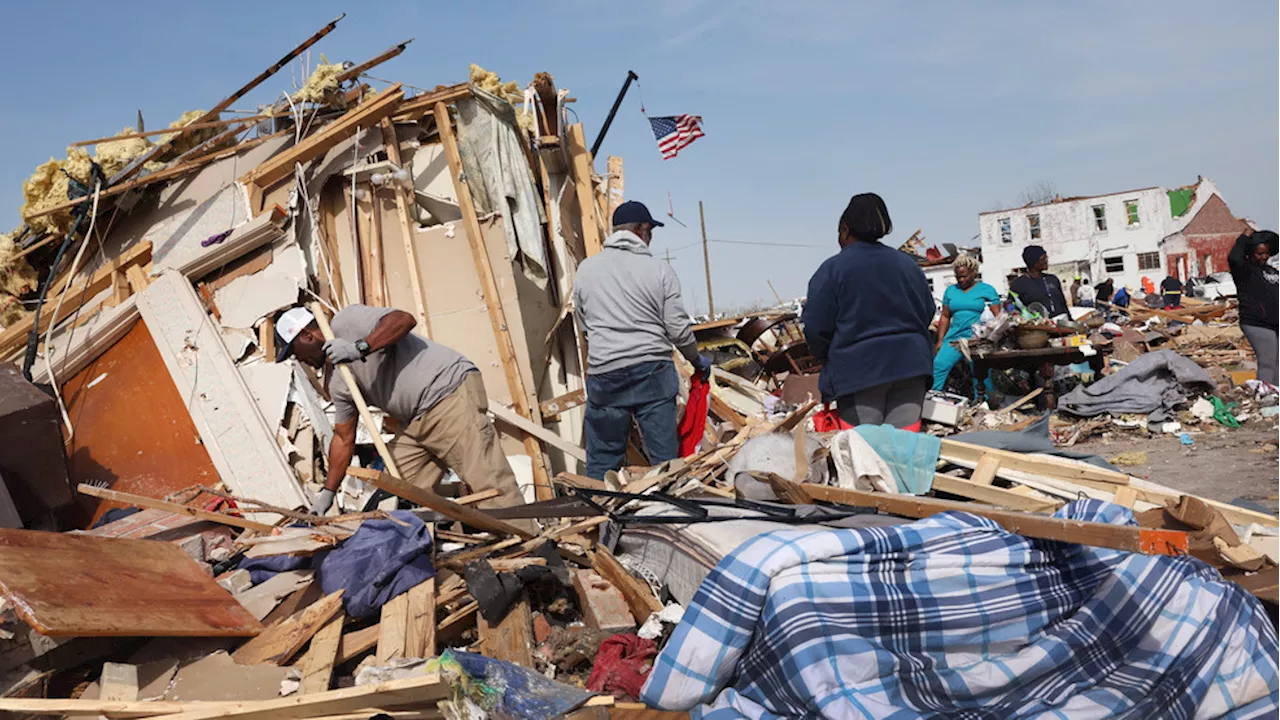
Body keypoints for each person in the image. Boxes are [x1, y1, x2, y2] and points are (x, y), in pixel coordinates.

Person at [274, 305, 532, 527]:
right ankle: (434, 543)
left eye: (296, 352)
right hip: (416, 422)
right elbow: (343, 438)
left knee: (488, 481)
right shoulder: (337, 382)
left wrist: (359, 347)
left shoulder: (346, 321)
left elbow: (403, 319)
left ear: (306, 335)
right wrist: (328, 493)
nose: (300, 360)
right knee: (396, 490)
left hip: (447, 393)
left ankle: (530, 555)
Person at [573, 201, 708, 479]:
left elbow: (584, 325)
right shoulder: (659, 271)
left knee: (602, 462)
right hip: (652, 373)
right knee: (664, 462)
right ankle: (670, 517)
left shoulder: (586, 270)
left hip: (605, 374)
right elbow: (677, 329)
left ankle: (600, 516)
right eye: (651, 232)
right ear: (642, 230)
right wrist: (696, 360)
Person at [802, 193, 935, 429]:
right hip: (912, 368)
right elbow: (927, 312)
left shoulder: (833, 269)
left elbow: (816, 326)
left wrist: (824, 355)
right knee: (901, 451)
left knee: (866, 454)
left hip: (859, 373)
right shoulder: (909, 266)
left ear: (844, 229)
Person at [932, 254, 1000, 393]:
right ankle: (933, 398)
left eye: (965, 276)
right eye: (958, 277)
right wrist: (940, 340)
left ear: (974, 273)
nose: (961, 280)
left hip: (976, 339)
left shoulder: (986, 289)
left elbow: (998, 317)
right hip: (954, 338)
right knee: (939, 365)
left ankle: (983, 403)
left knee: (980, 372)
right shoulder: (951, 291)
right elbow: (945, 316)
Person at [1229, 230, 1280, 384]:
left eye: (1266, 253)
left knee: (1278, 364)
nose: (1264, 257)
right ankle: (1266, 397)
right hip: (1257, 323)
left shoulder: (1271, 270)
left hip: (1276, 324)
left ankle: (1276, 395)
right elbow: (1233, 258)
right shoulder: (1244, 270)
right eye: (1259, 254)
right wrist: (1243, 238)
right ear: (1251, 254)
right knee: (1267, 362)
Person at [1008, 245, 1069, 317]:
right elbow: (1010, 307)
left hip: (1061, 325)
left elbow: (1063, 304)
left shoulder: (1052, 279)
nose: (1046, 260)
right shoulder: (1018, 285)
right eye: (1043, 258)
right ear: (1033, 262)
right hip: (1038, 326)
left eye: (1046, 257)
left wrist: (1071, 321)